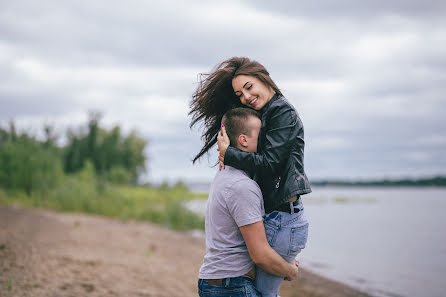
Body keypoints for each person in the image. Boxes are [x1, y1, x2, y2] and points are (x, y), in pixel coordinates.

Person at [190, 57, 311, 297]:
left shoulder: (282, 112)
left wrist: (229, 152)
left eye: (248, 87)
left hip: (283, 215)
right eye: (239, 94)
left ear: (263, 77)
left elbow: (269, 165)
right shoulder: (267, 112)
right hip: (278, 214)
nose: (245, 96)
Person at [197, 108, 299, 297]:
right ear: (243, 140)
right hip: (232, 286)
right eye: (262, 133)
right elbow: (260, 255)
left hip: (221, 282)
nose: (268, 140)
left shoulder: (226, 173)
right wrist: (289, 270)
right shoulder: (242, 186)